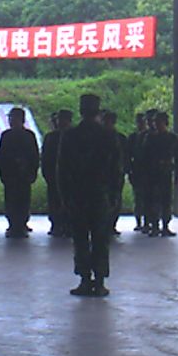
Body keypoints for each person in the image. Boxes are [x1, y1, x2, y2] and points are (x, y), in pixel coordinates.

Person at [58, 94, 119, 297]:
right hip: (100, 194)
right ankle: (99, 281)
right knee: (101, 239)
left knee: (80, 238)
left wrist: (64, 196)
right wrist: (114, 195)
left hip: (78, 194)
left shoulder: (70, 136)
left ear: (81, 111)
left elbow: (62, 169)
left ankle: (85, 279)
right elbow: (116, 170)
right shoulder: (108, 136)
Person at [0, 107, 40, 238]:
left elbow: (34, 155)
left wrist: (31, 171)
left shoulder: (29, 135)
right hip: (10, 174)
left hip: (24, 174)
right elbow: (1, 156)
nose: (11, 121)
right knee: (10, 200)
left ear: (21, 119)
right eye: (10, 118)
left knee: (24, 200)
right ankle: (12, 224)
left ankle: (22, 224)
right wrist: (3, 173)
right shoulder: (6, 135)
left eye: (13, 118)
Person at [142, 111, 178, 237]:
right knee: (153, 199)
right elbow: (144, 157)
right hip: (152, 173)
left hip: (165, 172)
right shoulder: (150, 138)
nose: (156, 124)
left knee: (166, 200)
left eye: (158, 122)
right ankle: (154, 225)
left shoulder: (172, 138)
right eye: (155, 122)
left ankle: (165, 225)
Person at [42, 110, 73, 237]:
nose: (60, 122)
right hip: (53, 175)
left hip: (70, 176)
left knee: (70, 201)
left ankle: (68, 225)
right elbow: (45, 157)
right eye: (59, 119)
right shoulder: (50, 137)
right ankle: (56, 224)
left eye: (63, 119)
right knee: (54, 201)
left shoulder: (74, 136)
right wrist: (46, 174)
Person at [101, 111, 128, 237]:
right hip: (102, 175)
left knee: (115, 200)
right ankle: (104, 224)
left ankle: (111, 224)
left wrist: (124, 170)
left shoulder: (120, 138)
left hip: (115, 174)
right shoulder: (98, 137)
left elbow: (125, 156)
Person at [127, 113, 148, 232]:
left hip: (147, 170)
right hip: (137, 170)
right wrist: (129, 170)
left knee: (147, 197)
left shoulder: (149, 136)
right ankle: (139, 221)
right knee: (138, 197)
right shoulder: (133, 138)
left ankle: (147, 221)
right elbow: (128, 155)